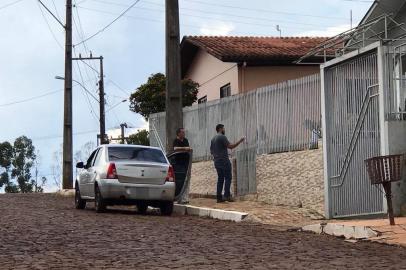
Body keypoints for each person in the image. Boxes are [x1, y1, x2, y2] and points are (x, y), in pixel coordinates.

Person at [210, 124, 245, 203]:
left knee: (220, 179)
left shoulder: (213, 139)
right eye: (223, 128)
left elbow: (211, 151)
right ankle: (227, 196)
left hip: (217, 161)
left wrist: (217, 157)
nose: (224, 130)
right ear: (220, 129)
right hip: (224, 161)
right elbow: (230, 146)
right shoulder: (222, 137)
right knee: (228, 178)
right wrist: (240, 140)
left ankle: (219, 198)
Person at [173, 128, 192, 204]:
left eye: (184, 132)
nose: (184, 133)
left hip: (186, 163)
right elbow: (175, 148)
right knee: (180, 180)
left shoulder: (186, 140)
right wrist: (185, 148)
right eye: (182, 132)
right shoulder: (176, 141)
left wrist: (188, 149)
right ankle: (179, 198)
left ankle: (184, 198)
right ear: (178, 133)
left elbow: (188, 148)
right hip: (179, 164)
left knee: (186, 180)